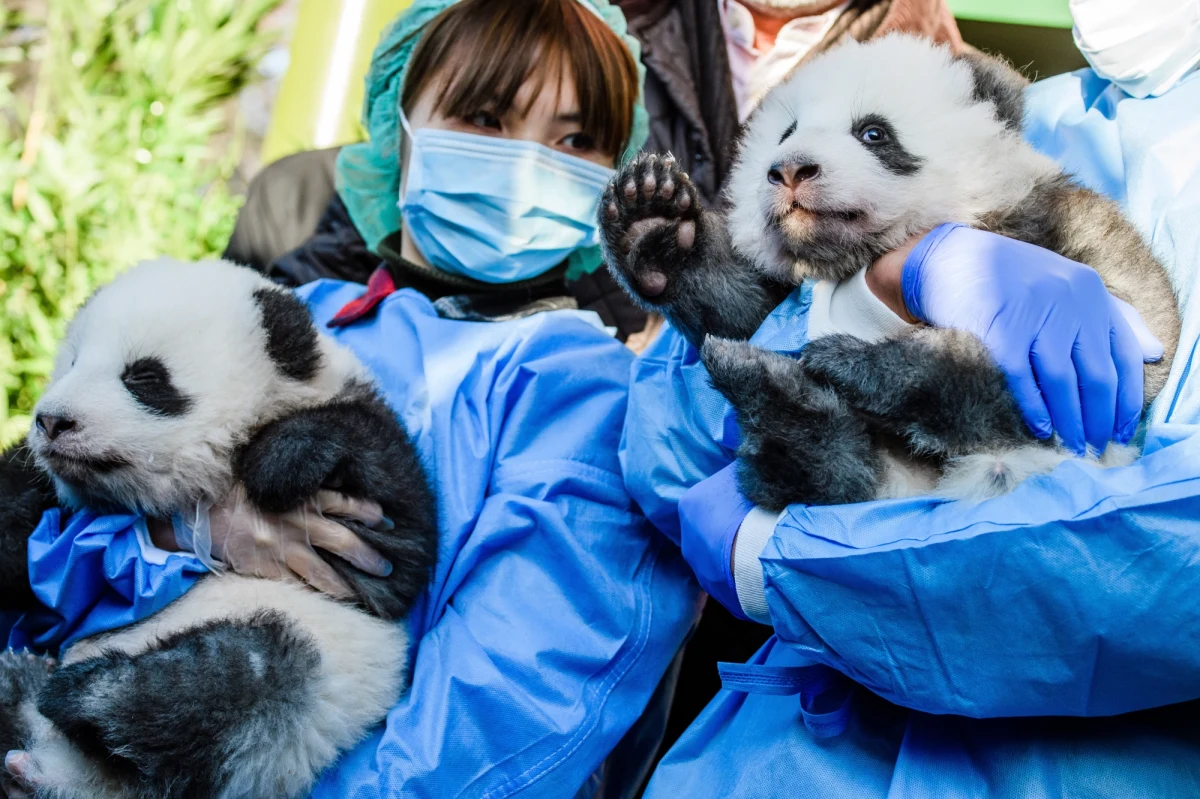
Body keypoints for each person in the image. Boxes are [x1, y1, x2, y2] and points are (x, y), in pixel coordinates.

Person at [2, 2, 699, 797]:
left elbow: (501, 722)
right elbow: (47, 556)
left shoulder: (589, 396)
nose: (526, 163)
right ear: (400, 121)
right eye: (484, 117)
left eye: (576, 141)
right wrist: (187, 532)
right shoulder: (296, 313)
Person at [624, 0, 1200, 795]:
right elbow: (666, 439)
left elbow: (1154, 574)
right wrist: (869, 294)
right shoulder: (1043, 109)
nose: (793, 164)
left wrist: (786, 556)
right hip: (776, 756)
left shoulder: (1017, 135)